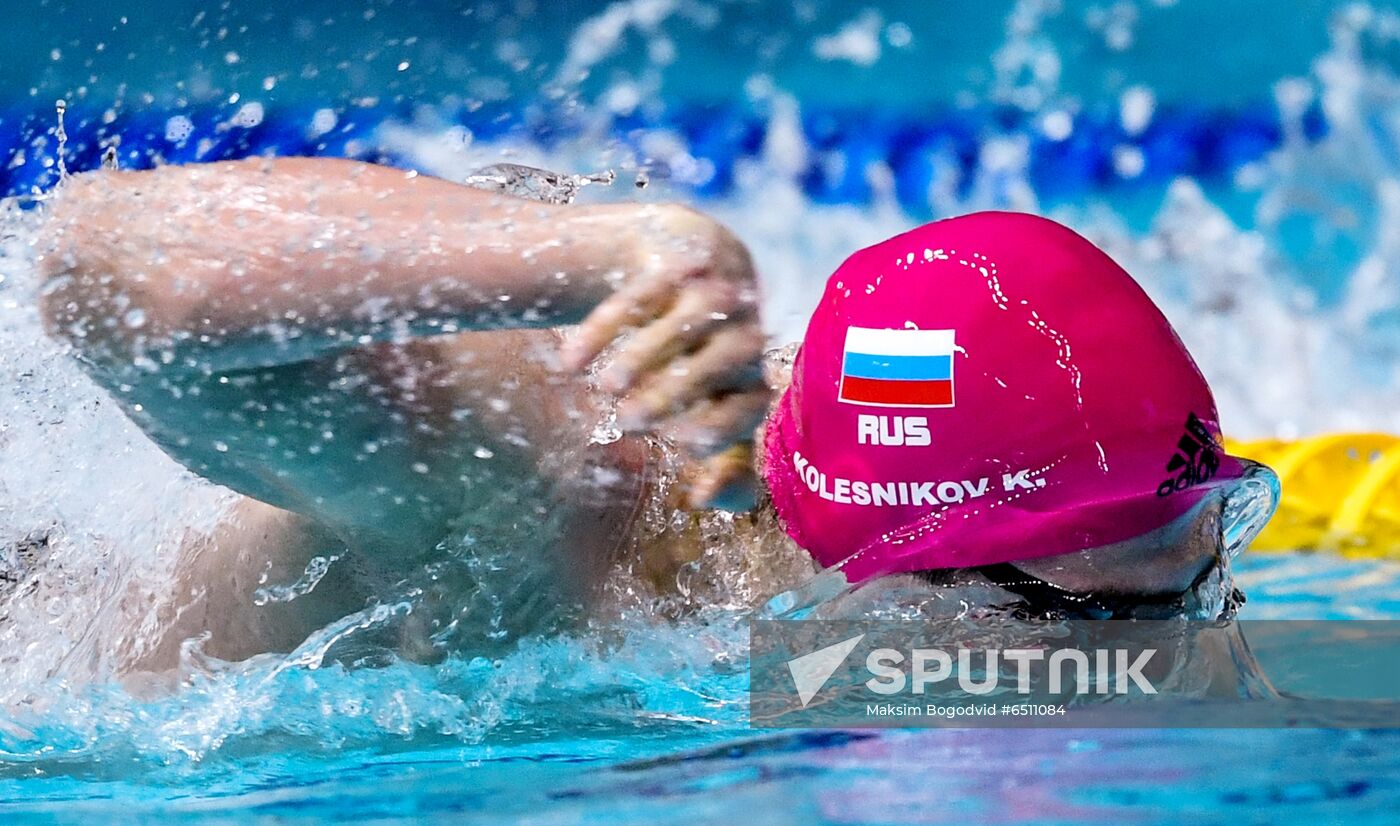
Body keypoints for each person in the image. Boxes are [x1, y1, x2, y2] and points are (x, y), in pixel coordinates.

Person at [35, 158, 1274, 669]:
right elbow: (100, 264)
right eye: (1086, 613)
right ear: (896, 578)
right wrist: (596, 254)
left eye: (1202, 573)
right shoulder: (519, 516)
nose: (1162, 657)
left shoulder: (816, 594)